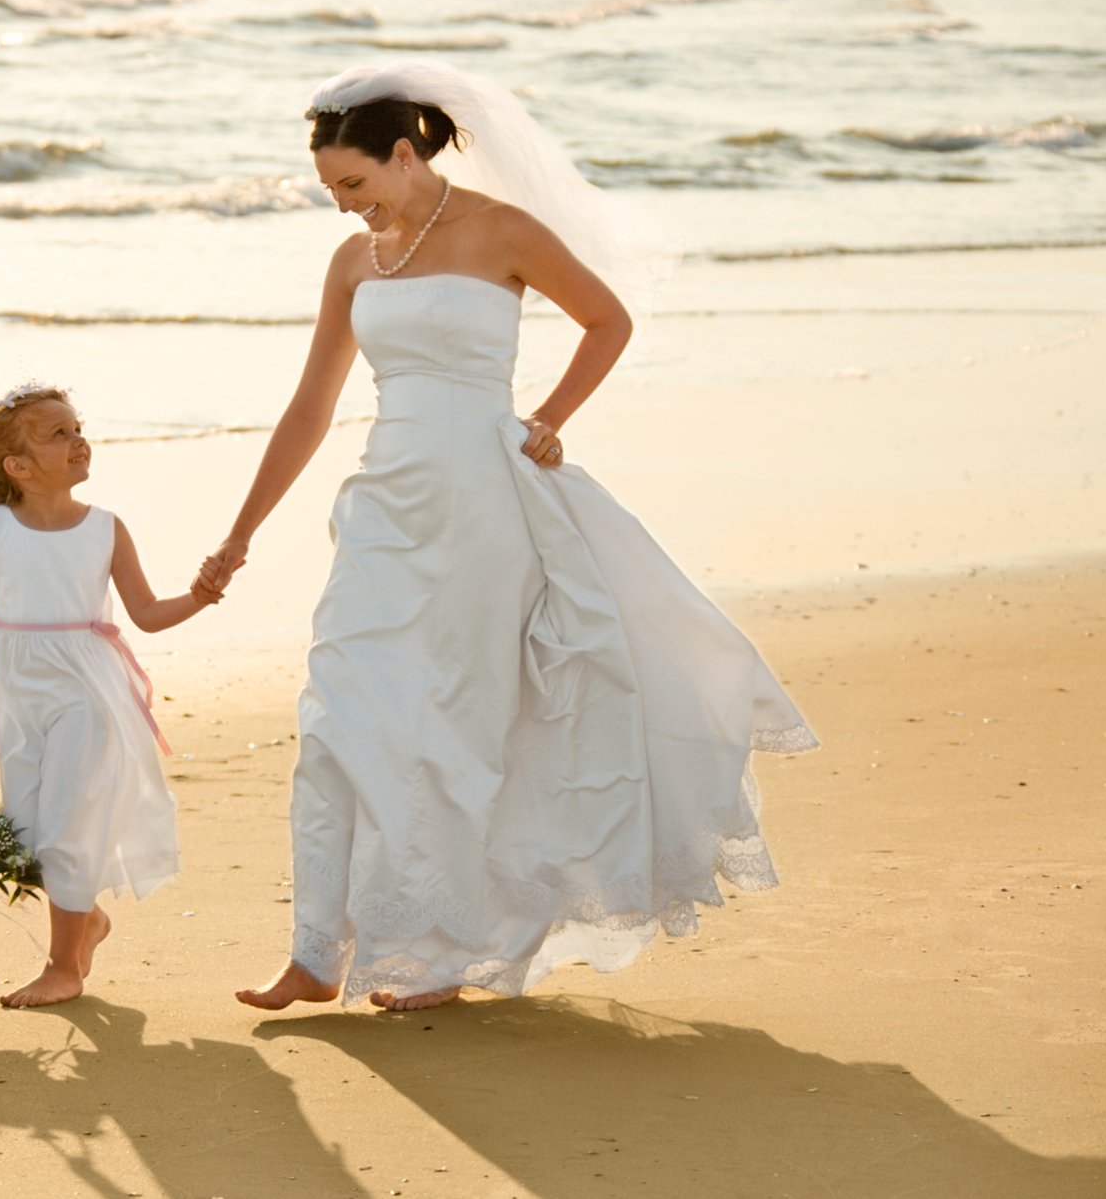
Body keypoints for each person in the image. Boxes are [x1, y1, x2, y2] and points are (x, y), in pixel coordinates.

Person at [198, 61, 818, 1013]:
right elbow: (311, 405)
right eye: (329, 191)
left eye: (354, 184)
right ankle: (316, 950)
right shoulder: (355, 262)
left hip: (485, 502)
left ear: (405, 155)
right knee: (336, 718)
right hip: (387, 503)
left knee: (453, 725)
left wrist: (551, 417)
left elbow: (606, 319)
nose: (343, 206)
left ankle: (439, 955)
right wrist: (239, 533)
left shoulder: (502, 232)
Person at [0, 383, 219, 1008]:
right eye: (57, 433)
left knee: (68, 820)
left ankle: (64, 966)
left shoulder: (107, 529)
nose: (77, 439)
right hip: (14, 680)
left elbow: (144, 612)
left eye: (76, 427)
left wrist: (198, 595)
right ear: (18, 466)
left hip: (89, 683)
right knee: (33, 821)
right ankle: (85, 921)